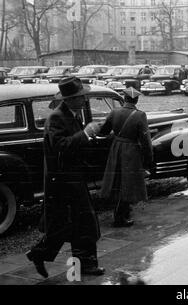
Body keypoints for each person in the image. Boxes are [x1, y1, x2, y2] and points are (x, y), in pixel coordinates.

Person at [26, 77, 105, 278]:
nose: (84, 99)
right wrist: (85, 134)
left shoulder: (71, 114)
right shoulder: (57, 117)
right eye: (80, 97)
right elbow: (61, 146)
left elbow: (74, 145)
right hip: (62, 182)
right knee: (70, 224)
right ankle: (40, 254)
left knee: (76, 224)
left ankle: (83, 264)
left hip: (73, 178)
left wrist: (92, 137)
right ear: (69, 99)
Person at [99, 87, 153, 227]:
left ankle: (121, 214)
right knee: (127, 184)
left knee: (117, 182)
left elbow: (104, 131)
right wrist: (149, 158)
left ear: (125, 98)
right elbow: (145, 140)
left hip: (116, 148)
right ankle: (121, 216)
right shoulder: (140, 115)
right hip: (131, 150)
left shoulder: (114, 112)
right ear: (136, 99)